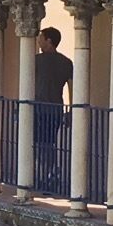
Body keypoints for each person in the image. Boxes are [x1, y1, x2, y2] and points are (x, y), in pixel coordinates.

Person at [32, 26, 73, 195]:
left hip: (38, 108)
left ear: (49, 41)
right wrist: (71, 110)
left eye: (41, 38)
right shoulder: (66, 62)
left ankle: (43, 175)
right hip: (55, 109)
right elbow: (72, 88)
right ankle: (48, 174)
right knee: (49, 144)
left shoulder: (37, 60)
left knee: (38, 145)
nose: (38, 41)